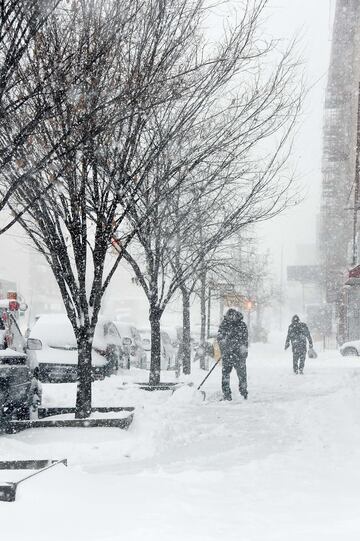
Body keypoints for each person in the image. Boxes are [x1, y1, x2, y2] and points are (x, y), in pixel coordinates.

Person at [217, 308, 248, 401]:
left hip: (239, 355)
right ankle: (226, 394)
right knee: (226, 375)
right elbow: (220, 338)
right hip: (227, 355)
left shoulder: (242, 325)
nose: (230, 318)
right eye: (228, 316)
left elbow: (244, 340)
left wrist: (238, 347)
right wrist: (224, 345)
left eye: (231, 316)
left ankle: (243, 392)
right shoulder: (224, 324)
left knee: (241, 375)